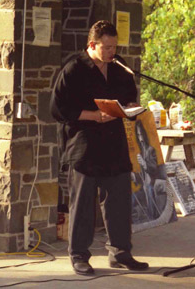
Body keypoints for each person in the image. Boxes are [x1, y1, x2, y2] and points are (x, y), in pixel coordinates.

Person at [49, 20, 149, 275]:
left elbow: (130, 97)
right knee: (83, 204)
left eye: (114, 46)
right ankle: (79, 255)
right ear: (91, 45)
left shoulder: (119, 67)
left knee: (118, 202)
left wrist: (128, 110)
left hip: (114, 144)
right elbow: (58, 109)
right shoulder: (73, 69)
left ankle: (120, 253)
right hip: (84, 146)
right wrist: (93, 115)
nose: (112, 52)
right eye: (106, 47)